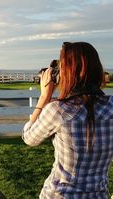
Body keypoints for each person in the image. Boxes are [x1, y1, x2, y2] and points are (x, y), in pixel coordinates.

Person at [22, 42, 113, 198]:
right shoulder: (111, 105)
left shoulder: (58, 110)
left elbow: (29, 138)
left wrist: (45, 97)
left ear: (66, 73)